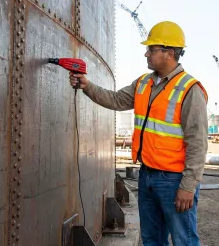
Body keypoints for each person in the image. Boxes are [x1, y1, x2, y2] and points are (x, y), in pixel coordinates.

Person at [69, 21, 208, 246]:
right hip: (147, 176)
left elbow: (198, 143)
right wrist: (87, 86)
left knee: (185, 240)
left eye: (152, 49)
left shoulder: (190, 90)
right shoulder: (144, 83)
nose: (146, 53)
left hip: (174, 180)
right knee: (152, 240)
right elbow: (115, 100)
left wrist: (188, 186)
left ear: (169, 53)